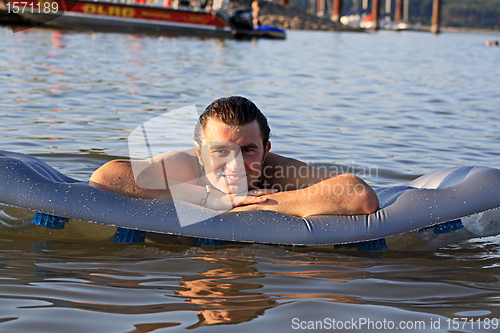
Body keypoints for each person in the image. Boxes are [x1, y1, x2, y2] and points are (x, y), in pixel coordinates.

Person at [89, 96, 379, 218]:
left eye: (248, 150)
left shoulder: (276, 171)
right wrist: (211, 199)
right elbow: (105, 178)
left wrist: (259, 205)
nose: (235, 165)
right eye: (220, 152)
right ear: (201, 153)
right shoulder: (186, 166)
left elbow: (359, 194)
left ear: (265, 150)